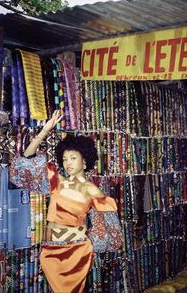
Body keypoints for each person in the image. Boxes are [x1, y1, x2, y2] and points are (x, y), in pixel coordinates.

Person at [10, 110, 123, 293]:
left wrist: (89, 243)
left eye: (73, 158)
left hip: (76, 254)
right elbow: (26, 163)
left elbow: (113, 230)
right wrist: (44, 131)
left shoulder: (93, 191)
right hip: (49, 252)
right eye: (64, 159)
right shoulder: (56, 182)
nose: (67, 163)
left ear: (85, 162)